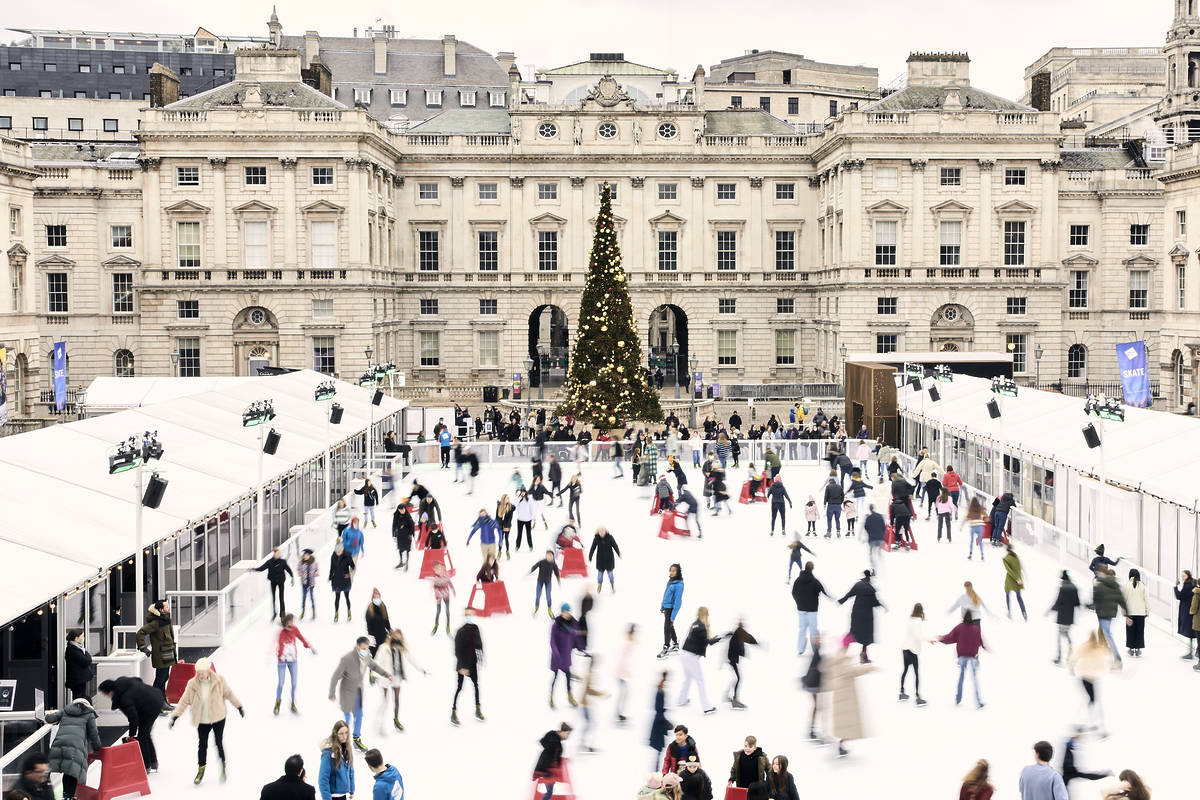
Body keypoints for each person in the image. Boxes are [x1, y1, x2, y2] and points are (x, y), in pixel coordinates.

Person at [168, 657, 244, 784]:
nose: (200, 675)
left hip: (218, 717)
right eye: (198, 672)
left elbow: (229, 693)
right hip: (202, 720)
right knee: (202, 745)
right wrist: (175, 716)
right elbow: (184, 700)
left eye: (202, 672)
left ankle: (223, 766)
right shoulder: (192, 684)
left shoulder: (219, 680)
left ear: (208, 670)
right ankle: (201, 769)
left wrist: (239, 706)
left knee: (218, 742)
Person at [329, 637, 391, 751]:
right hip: (346, 691)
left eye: (367, 648)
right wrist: (331, 693)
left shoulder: (366, 656)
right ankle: (342, 742)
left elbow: (374, 666)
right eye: (363, 648)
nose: (365, 650)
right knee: (347, 718)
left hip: (358, 691)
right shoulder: (347, 658)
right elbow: (336, 676)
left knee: (359, 715)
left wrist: (386, 674)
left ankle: (356, 739)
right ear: (357, 647)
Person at [824, 633, 876, 758]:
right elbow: (851, 671)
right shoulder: (843, 658)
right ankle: (839, 745)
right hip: (845, 695)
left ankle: (840, 744)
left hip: (841, 694)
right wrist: (870, 668)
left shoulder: (838, 656)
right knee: (849, 724)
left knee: (845, 724)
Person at [98, 676, 163, 772]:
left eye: (105, 694)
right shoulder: (122, 681)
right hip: (156, 696)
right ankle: (153, 762)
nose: (106, 697)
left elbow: (133, 718)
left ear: (110, 692)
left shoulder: (124, 699)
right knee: (145, 734)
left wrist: (131, 734)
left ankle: (146, 766)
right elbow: (138, 680)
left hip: (151, 707)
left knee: (142, 737)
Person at [46, 696, 100, 800]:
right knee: (72, 772)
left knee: (61, 770)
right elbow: (94, 733)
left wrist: (47, 715)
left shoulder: (66, 710)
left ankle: (63, 795)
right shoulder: (89, 713)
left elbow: (50, 719)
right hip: (76, 746)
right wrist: (97, 747)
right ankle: (69, 796)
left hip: (59, 743)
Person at [933, 610, 987, 709]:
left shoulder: (960, 627)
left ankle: (958, 698)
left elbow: (950, 637)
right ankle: (979, 701)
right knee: (975, 679)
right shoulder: (975, 629)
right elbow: (980, 641)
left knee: (961, 677)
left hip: (962, 657)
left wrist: (941, 638)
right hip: (972, 657)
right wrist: (984, 647)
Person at [1068, 629, 1113, 736]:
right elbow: (1106, 662)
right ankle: (1096, 727)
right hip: (1092, 679)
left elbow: (1073, 659)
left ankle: (1086, 722)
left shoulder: (1084, 646)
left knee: (1091, 700)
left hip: (1084, 678)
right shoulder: (1099, 649)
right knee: (1093, 701)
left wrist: (1072, 670)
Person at [134, 599, 177, 710]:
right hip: (161, 656)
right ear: (161, 609)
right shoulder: (156, 623)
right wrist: (143, 647)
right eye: (166, 606)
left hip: (168, 653)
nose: (169, 608)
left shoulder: (166, 620)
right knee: (160, 680)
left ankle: (162, 702)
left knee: (164, 678)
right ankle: (155, 703)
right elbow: (141, 633)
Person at [678, 606, 721, 714]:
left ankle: (681, 700)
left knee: (688, 678)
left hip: (684, 654)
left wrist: (714, 638)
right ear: (705, 614)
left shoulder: (695, 623)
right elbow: (707, 642)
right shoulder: (701, 627)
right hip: (690, 657)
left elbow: (702, 640)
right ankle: (706, 707)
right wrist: (719, 638)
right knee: (700, 681)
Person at [838, 570, 884, 663]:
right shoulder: (871, 589)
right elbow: (875, 602)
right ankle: (863, 657)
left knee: (853, 633)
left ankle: (841, 653)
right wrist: (882, 605)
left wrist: (841, 601)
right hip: (866, 617)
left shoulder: (858, 585)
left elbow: (849, 594)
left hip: (856, 614)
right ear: (869, 578)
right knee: (866, 638)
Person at [274, 614, 315, 715]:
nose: (292, 623)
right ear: (286, 622)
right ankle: (278, 702)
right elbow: (279, 646)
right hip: (282, 661)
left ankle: (292, 703)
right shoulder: (281, 632)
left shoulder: (295, 629)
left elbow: (302, 638)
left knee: (294, 683)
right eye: (290, 621)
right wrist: (281, 656)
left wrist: (309, 646)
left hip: (293, 661)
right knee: (281, 683)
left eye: (293, 621)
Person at [451, 608, 485, 725]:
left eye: (471, 614)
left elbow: (479, 644)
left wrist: (481, 658)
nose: (469, 616)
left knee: (476, 686)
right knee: (459, 688)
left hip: (472, 662)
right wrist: (462, 667)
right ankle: (453, 712)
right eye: (467, 615)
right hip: (463, 664)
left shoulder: (475, 628)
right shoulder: (460, 631)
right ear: (465, 616)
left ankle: (478, 709)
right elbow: (457, 651)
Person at [791, 561, 830, 655]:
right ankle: (815, 649)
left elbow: (793, 592)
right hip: (812, 610)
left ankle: (800, 649)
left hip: (801, 609)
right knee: (813, 630)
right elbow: (823, 591)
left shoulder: (798, 580)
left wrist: (799, 602)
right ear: (812, 569)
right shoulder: (814, 581)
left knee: (802, 629)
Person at [1092, 567, 1128, 668]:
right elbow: (1121, 599)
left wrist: (1090, 605)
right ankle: (1113, 656)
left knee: (1107, 634)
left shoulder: (1100, 585)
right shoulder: (1115, 585)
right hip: (1110, 613)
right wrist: (1127, 614)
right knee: (1106, 633)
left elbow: (1095, 600)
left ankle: (1116, 657)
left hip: (1102, 613)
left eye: (1098, 572)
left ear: (1102, 573)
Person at [723, 619, 759, 709]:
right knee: (738, 678)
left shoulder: (737, 632)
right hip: (732, 659)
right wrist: (757, 644)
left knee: (737, 678)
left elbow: (748, 638)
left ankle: (727, 695)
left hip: (731, 658)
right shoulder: (739, 633)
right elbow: (748, 638)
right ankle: (735, 700)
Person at [549, 603, 579, 709]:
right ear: (561, 612)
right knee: (555, 678)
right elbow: (552, 641)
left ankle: (570, 698)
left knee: (568, 677)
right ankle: (551, 698)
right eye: (565, 612)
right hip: (557, 658)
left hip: (566, 657)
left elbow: (574, 637)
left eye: (568, 612)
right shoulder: (556, 624)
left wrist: (579, 646)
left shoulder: (571, 623)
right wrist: (556, 654)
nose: (567, 614)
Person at [533, 723, 572, 800]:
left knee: (549, 792)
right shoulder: (555, 742)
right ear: (562, 732)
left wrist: (564, 759)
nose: (567, 736)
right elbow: (549, 756)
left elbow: (554, 757)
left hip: (548, 771)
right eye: (567, 733)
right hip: (546, 770)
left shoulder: (556, 743)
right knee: (549, 793)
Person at [317, 721, 355, 800]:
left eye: (346, 733)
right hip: (332, 797)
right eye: (341, 734)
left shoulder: (348, 749)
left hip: (344, 795)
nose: (344, 736)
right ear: (335, 734)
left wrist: (352, 790)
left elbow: (351, 771)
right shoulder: (328, 753)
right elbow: (323, 779)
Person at [1049, 570, 1080, 665]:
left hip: (1062, 616)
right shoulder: (1074, 587)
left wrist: (1050, 610)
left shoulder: (1062, 588)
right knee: (1067, 635)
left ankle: (1059, 657)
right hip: (1070, 616)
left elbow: (1058, 602)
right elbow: (1077, 603)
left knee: (1059, 637)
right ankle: (1071, 655)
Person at [256, 546, 295, 621]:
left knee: (281, 597)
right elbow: (262, 568)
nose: (278, 555)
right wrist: (254, 569)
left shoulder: (283, 562)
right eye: (277, 553)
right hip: (273, 581)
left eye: (279, 553)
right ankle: (274, 612)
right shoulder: (269, 562)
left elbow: (288, 569)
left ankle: (282, 614)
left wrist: (292, 576)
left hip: (281, 581)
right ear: (274, 554)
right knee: (273, 598)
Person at [900, 603, 927, 706]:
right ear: (921, 611)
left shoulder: (910, 620)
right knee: (916, 673)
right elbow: (918, 636)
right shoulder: (918, 621)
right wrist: (929, 639)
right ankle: (918, 697)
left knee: (905, 670)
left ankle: (902, 692)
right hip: (912, 650)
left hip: (904, 649)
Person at [660, 563, 685, 658]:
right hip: (666, 608)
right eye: (670, 570)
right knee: (670, 626)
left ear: (678, 572)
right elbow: (665, 594)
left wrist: (673, 616)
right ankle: (675, 643)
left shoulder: (679, 585)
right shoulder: (670, 581)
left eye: (674, 570)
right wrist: (662, 606)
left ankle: (666, 647)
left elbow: (678, 602)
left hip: (671, 609)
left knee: (667, 628)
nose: (671, 572)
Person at [1123, 568, 1149, 657]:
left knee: (1130, 631)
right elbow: (1146, 600)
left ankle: (1130, 648)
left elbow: (1124, 600)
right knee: (1140, 631)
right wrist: (1147, 611)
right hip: (1141, 612)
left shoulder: (1126, 585)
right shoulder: (1143, 586)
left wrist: (1124, 613)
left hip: (1130, 612)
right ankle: (1138, 649)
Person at [588, 526, 621, 593]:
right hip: (600, 561)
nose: (602, 533)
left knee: (610, 575)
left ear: (606, 531)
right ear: (598, 532)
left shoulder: (610, 537)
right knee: (600, 576)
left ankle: (612, 585)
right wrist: (590, 556)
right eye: (600, 531)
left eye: (603, 531)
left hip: (609, 560)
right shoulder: (596, 538)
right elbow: (592, 547)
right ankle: (599, 585)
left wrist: (618, 553)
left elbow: (615, 545)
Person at [530, 549, 562, 617]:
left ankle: (549, 609)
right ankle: (536, 608)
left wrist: (559, 581)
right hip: (540, 581)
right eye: (548, 555)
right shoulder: (542, 562)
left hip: (548, 582)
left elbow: (557, 573)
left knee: (548, 596)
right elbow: (534, 567)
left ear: (553, 557)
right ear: (546, 556)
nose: (549, 557)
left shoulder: (553, 564)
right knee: (538, 595)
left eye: (551, 555)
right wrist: (530, 571)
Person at [63, 629, 93, 702]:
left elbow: (86, 657)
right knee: (78, 698)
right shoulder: (72, 649)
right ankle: (78, 712)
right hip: (77, 680)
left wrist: (86, 654)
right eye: (82, 636)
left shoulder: (77, 648)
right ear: (76, 638)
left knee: (81, 697)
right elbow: (86, 660)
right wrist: (87, 654)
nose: (84, 638)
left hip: (80, 679)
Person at [329, 542, 355, 623]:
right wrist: (330, 576)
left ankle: (349, 612)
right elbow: (332, 567)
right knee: (337, 598)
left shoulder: (347, 556)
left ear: (342, 550)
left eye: (339, 551)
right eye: (336, 552)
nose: (338, 553)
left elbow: (353, 566)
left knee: (347, 597)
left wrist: (350, 570)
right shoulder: (333, 556)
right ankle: (336, 613)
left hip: (345, 580)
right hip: (336, 580)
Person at [1003, 545, 1028, 621]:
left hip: (1011, 579)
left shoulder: (1005, 559)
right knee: (1019, 597)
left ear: (1007, 550)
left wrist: (1016, 579)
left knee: (1007, 595)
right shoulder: (1016, 556)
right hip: (1018, 580)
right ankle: (1024, 613)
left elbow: (1009, 571)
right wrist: (1020, 578)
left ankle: (1009, 612)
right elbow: (1021, 568)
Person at [430, 561, 455, 635]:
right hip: (439, 596)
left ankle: (448, 627)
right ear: (435, 570)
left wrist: (453, 590)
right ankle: (436, 626)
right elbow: (435, 588)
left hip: (446, 595)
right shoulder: (435, 578)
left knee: (447, 611)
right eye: (437, 569)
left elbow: (449, 582)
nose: (440, 570)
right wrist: (438, 595)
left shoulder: (446, 575)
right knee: (438, 611)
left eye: (441, 568)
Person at [1177, 570, 1197, 659]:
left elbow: (1179, 596)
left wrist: (1175, 587)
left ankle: (1191, 653)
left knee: (1190, 633)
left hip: (1188, 612)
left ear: (1188, 576)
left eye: (1184, 576)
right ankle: (1194, 651)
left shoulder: (1187, 585)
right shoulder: (1193, 584)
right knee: (1193, 633)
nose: (1182, 578)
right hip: (1192, 612)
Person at [365, 588, 391, 657]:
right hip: (374, 638)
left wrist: (390, 630)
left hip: (383, 636)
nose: (377, 599)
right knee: (375, 656)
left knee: (385, 656)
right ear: (372, 598)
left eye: (378, 597)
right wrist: (371, 637)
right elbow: (369, 625)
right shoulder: (370, 609)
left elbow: (386, 620)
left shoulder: (383, 606)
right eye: (375, 597)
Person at [863, 504, 887, 574]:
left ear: (870, 509)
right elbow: (884, 526)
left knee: (871, 554)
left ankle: (874, 568)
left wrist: (870, 533)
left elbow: (866, 527)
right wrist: (882, 534)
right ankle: (882, 567)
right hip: (880, 537)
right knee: (879, 552)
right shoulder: (880, 516)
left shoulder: (868, 518)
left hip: (872, 538)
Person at [391, 505, 414, 571]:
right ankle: (401, 562)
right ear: (398, 510)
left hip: (407, 534)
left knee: (407, 549)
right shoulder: (396, 515)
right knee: (400, 548)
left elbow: (412, 525)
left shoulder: (408, 516)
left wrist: (411, 534)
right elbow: (394, 525)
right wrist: (394, 535)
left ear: (405, 509)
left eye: (403, 509)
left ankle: (406, 563)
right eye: (400, 510)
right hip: (400, 535)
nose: (402, 511)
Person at [298, 549, 319, 618]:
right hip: (304, 582)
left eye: (306, 555)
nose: (305, 556)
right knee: (303, 597)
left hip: (311, 582)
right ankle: (303, 611)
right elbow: (299, 569)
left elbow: (316, 570)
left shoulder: (314, 562)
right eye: (304, 555)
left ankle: (313, 611)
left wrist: (316, 573)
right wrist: (300, 572)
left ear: (309, 555)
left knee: (311, 597)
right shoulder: (301, 562)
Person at [495, 494, 515, 560]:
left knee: (506, 538)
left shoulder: (510, 506)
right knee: (501, 539)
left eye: (508, 498)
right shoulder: (499, 506)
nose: (508, 500)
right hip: (500, 525)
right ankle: (499, 552)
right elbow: (496, 517)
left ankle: (507, 551)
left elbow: (514, 507)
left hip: (507, 525)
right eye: (506, 498)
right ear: (503, 499)